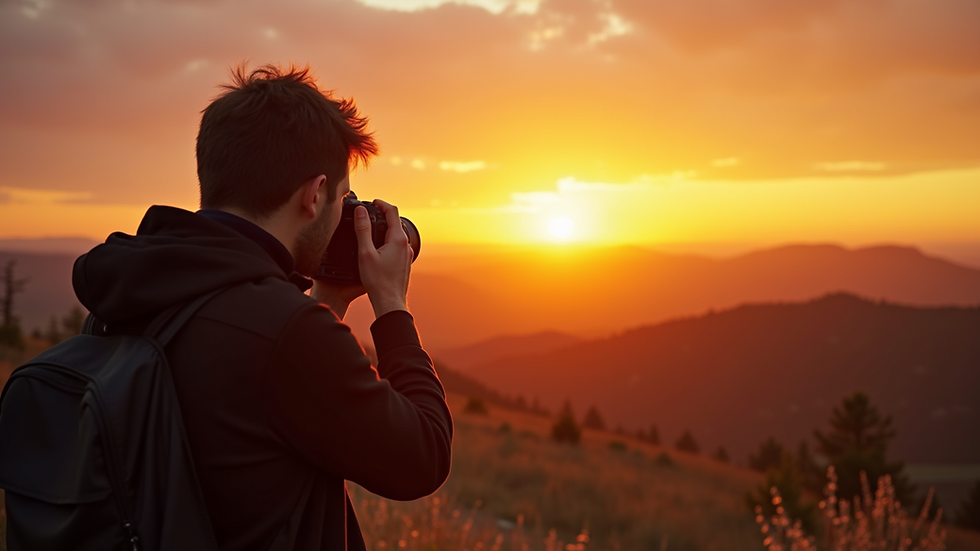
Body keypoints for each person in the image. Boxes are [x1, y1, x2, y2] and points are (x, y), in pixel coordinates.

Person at [71, 64, 453, 550]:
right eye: (342, 197)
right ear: (314, 195)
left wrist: (328, 302)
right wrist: (393, 306)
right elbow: (423, 457)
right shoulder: (285, 333)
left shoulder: (132, 293)